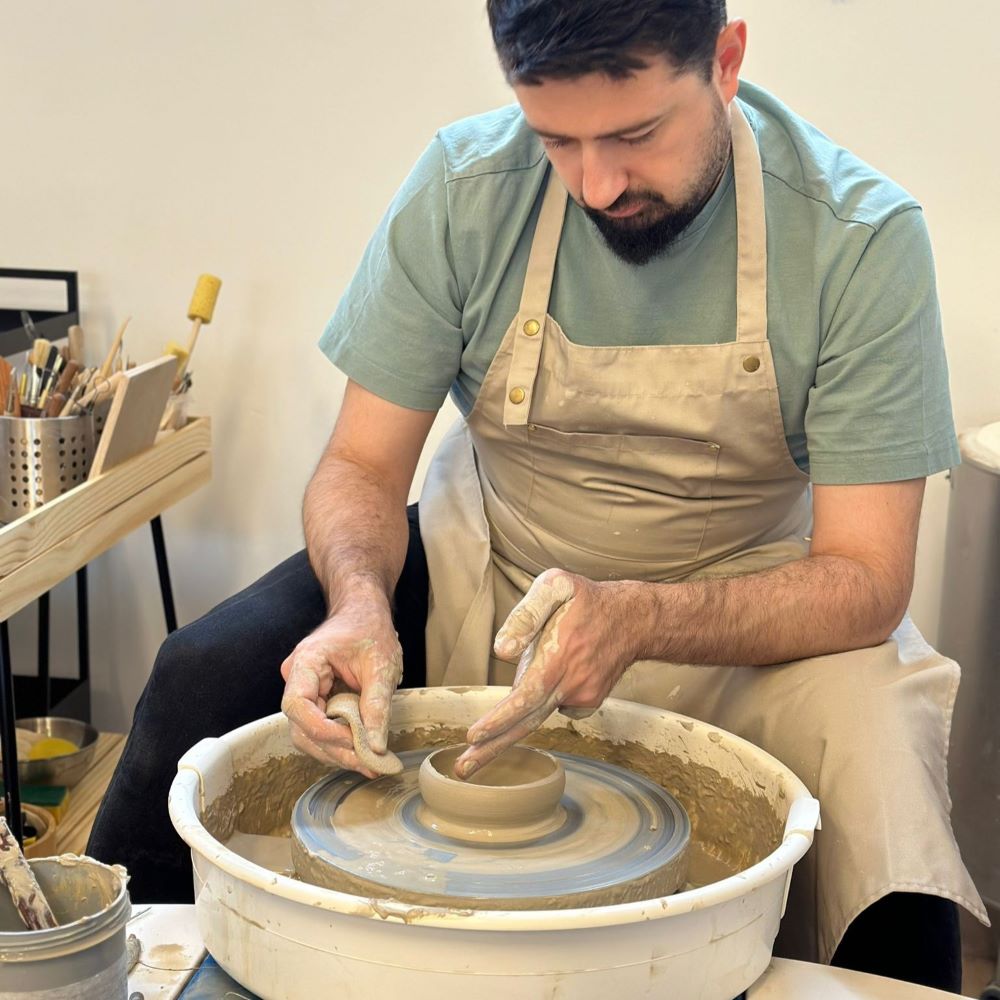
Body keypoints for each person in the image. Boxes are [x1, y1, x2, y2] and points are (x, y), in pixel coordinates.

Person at [89, 1, 986, 991]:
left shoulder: (858, 236)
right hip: (500, 579)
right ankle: (118, 963)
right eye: (557, 138)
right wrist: (357, 603)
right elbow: (360, 468)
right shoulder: (467, 187)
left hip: (749, 613)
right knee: (203, 670)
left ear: (725, 62)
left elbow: (864, 577)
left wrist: (640, 614)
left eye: (636, 134)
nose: (598, 184)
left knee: (885, 750)